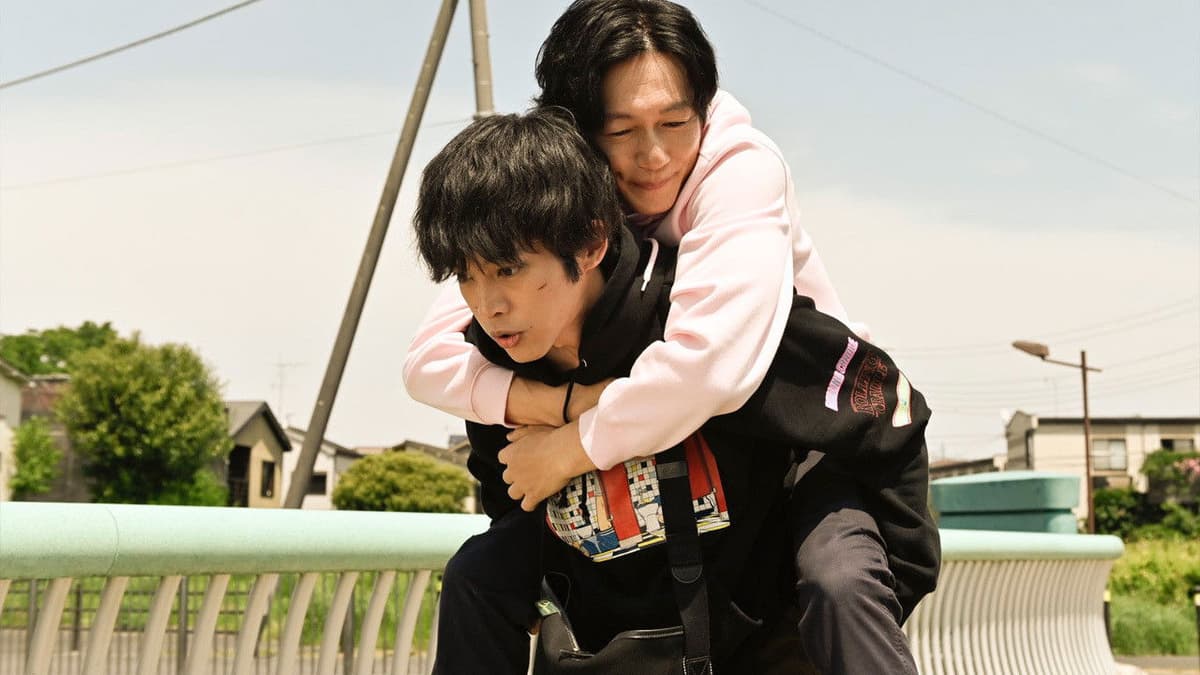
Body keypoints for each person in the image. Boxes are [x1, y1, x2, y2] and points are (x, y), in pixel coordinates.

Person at [413, 109, 939, 673]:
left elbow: (885, 408)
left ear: (589, 245)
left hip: (768, 640)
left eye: (508, 270)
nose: (487, 305)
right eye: (466, 276)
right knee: (473, 573)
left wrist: (874, 586)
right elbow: (511, 511)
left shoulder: (707, 322)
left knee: (840, 582)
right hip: (627, 652)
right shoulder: (496, 372)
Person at [403, 0, 857, 509]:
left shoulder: (741, 171)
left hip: (819, 429)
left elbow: (706, 368)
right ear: (576, 131)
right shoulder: (565, 193)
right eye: (620, 131)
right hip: (697, 451)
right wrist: (561, 403)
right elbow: (427, 360)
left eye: (675, 122)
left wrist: (569, 448)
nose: (654, 157)